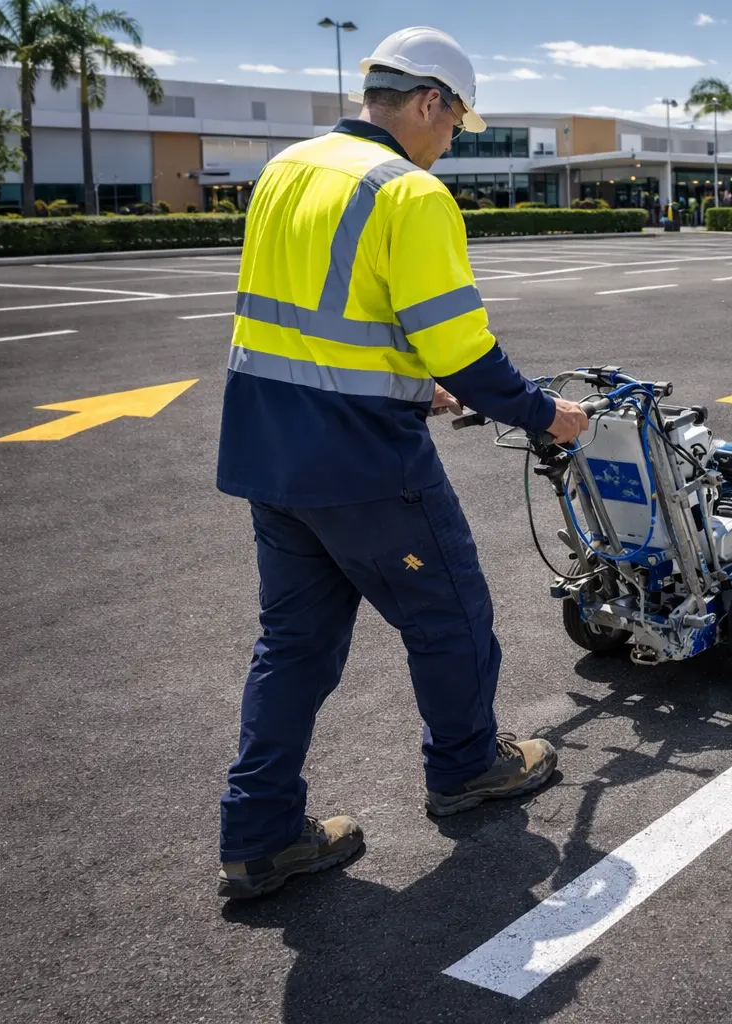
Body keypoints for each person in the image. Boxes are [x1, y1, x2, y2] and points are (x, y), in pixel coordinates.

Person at [214, 25, 589, 900]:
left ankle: (258, 837)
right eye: (455, 125)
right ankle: (465, 770)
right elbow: (461, 347)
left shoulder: (287, 169)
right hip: (364, 466)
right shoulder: (408, 194)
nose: (452, 145)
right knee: (451, 616)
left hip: (272, 453)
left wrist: (413, 388)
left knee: (293, 647)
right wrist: (547, 415)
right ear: (428, 102)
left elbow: (311, 323)